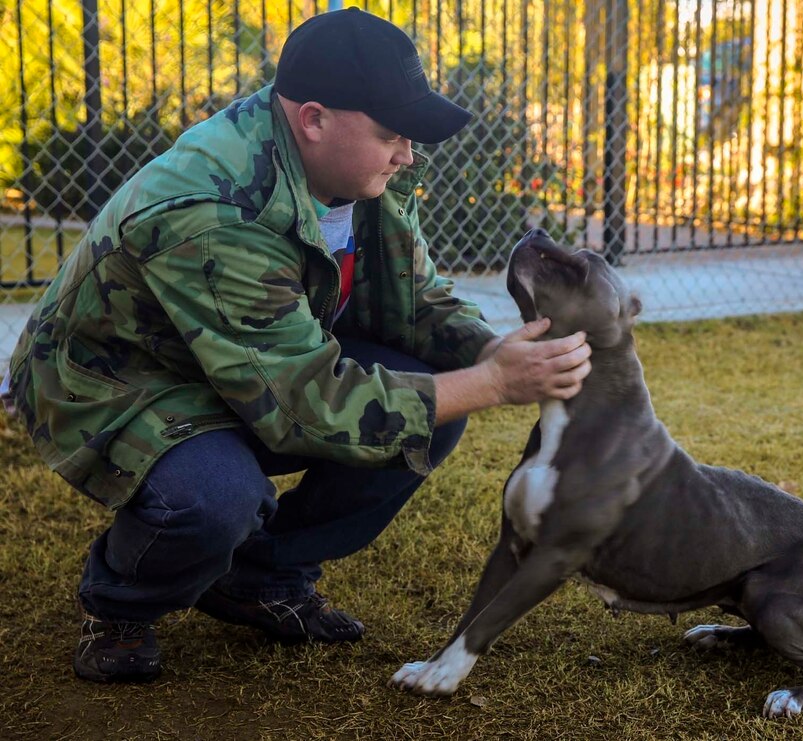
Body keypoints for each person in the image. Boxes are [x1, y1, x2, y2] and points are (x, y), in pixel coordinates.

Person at [0, 8, 591, 683]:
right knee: (214, 497)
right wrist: (494, 384)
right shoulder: (216, 209)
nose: (407, 154)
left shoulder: (351, 168)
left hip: (246, 364)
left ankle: (257, 576)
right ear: (313, 118)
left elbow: (416, 296)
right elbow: (301, 404)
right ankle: (120, 602)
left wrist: (487, 352)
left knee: (427, 410)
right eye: (392, 134)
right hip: (121, 383)